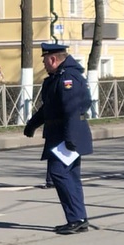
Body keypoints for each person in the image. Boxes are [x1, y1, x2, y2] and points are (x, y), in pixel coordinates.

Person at [24, 41, 93, 233]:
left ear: (53, 59)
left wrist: (70, 137)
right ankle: (79, 218)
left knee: (59, 174)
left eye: (45, 60)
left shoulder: (67, 78)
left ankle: (76, 218)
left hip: (65, 135)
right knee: (70, 176)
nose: (44, 64)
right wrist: (33, 124)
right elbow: (49, 107)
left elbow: (72, 109)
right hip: (61, 134)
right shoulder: (57, 77)